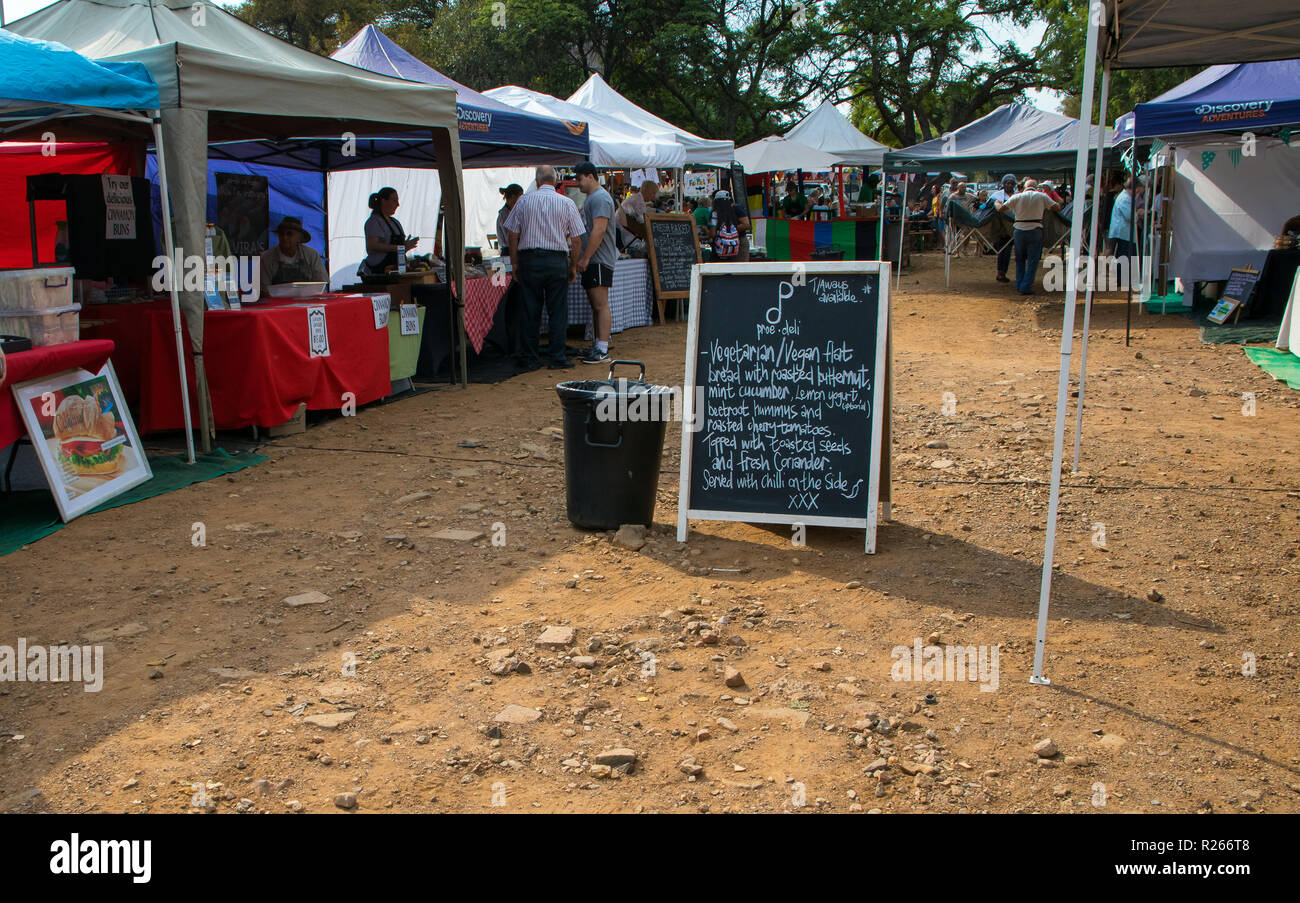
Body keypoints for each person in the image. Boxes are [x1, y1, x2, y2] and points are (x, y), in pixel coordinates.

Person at [502, 164, 585, 371]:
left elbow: (512, 234)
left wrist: (514, 263)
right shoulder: (567, 202)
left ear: (537, 181)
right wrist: (573, 266)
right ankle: (557, 357)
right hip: (557, 260)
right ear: (555, 181)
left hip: (530, 259)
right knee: (558, 311)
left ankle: (530, 358)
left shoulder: (524, 201)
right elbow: (576, 239)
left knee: (530, 310)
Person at [573, 162, 617, 365]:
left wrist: (586, 257)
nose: (577, 183)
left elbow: (599, 230)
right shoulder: (594, 197)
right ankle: (598, 345)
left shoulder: (599, 198)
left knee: (600, 304)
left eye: (579, 178)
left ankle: (602, 349)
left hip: (599, 259)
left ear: (590, 176)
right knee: (596, 305)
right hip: (596, 259)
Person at [996, 178, 1059, 295]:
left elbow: (1001, 209)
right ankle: (1026, 285)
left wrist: (996, 203)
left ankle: (1019, 283)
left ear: (1025, 187)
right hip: (1035, 229)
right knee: (1032, 260)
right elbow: (1057, 207)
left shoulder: (1016, 197)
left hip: (1019, 230)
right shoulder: (1042, 196)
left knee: (1019, 259)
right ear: (1036, 187)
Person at [259, 216, 328, 293]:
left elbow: (320, 283)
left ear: (299, 237)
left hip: (306, 298)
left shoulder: (312, 255)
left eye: (289, 234)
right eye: (281, 234)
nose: (284, 237)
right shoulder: (267, 257)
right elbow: (264, 289)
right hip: (277, 299)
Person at [360, 187, 419, 276]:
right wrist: (399, 248)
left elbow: (399, 249)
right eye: (394, 200)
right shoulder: (374, 221)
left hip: (396, 270)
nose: (398, 204)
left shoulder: (395, 222)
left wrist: (405, 247)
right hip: (379, 272)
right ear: (383, 201)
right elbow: (372, 245)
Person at [615, 179, 659, 253]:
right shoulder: (638, 201)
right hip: (623, 232)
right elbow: (643, 220)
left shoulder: (636, 197)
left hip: (619, 228)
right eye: (653, 193)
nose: (653, 197)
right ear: (648, 192)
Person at [988, 173, 1018, 283]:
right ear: (1003, 184)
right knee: (1004, 250)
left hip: (1016, 226)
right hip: (1002, 229)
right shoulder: (996, 196)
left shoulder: (1018, 195)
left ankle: (1015, 275)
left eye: (1011, 183)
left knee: (1014, 251)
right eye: (1007, 183)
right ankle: (1001, 273)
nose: (1009, 185)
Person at [706, 190, 744, 261]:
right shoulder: (733, 212)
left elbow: (713, 234)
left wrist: (706, 231)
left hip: (719, 250)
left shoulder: (715, 214)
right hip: (733, 249)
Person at [1108, 176, 1140, 260]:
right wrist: (1138, 214)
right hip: (1124, 235)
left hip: (1124, 234)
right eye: (1137, 191)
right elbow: (1131, 217)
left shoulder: (1126, 197)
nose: (1137, 193)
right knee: (1124, 260)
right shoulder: (1125, 199)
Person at [495, 184, 524, 251]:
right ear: (513, 197)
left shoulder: (513, 212)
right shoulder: (505, 214)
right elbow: (510, 237)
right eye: (521, 196)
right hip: (508, 250)